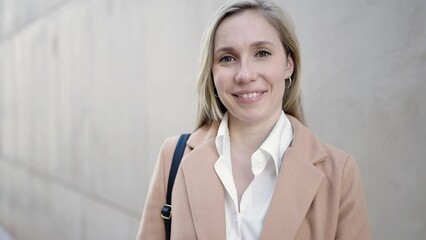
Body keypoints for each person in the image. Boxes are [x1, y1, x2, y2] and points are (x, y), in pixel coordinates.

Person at [136, 0, 371, 239]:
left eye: (262, 53)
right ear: (212, 72)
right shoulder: (173, 156)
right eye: (227, 58)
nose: (245, 75)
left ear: (289, 64)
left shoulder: (340, 173)